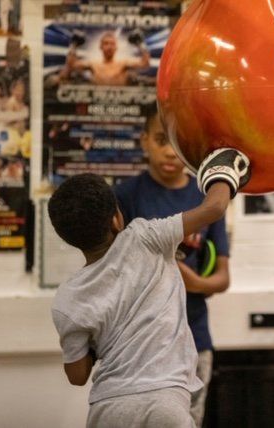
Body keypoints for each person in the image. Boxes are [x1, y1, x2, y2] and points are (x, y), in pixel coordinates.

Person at [48, 147, 250, 427]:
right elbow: (214, 208)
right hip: (166, 400)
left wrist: (98, 341)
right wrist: (226, 167)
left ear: (67, 237)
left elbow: (77, 375)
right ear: (117, 220)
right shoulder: (145, 237)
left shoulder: (67, 299)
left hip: (107, 407)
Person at [114, 107, 232, 427]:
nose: (170, 151)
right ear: (144, 142)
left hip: (194, 337)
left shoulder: (207, 195)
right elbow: (111, 270)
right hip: (139, 343)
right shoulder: (125, 195)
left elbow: (222, 278)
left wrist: (193, 283)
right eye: (161, 140)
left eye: (179, 143)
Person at [59, 31, 150, 86]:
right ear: (101, 46)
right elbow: (72, 64)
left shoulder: (123, 63)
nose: (109, 47)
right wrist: (73, 45)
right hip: (96, 102)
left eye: (112, 44)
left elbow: (144, 63)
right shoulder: (93, 63)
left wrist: (140, 44)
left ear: (116, 47)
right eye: (106, 43)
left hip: (121, 102)